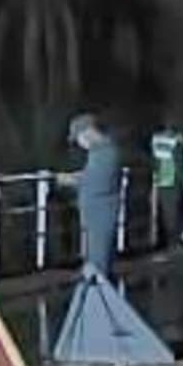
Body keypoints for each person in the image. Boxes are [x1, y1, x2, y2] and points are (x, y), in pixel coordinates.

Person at [59, 114, 122, 277]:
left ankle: (100, 293)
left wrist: (71, 181)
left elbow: (98, 183)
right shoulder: (100, 152)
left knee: (99, 257)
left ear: (87, 133)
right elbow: (95, 177)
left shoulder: (105, 152)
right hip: (96, 212)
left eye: (78, 138)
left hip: (100, 213)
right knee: (95, 255)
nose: (80, 144)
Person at [150, 116, 183, 249]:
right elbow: (180, 164)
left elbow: (154, 161)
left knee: (165, 212)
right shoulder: (177, 140)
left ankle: (166, 240)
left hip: (161, 179)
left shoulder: (155, 139)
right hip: (174, 180)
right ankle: (178, 240)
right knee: (178, 212)